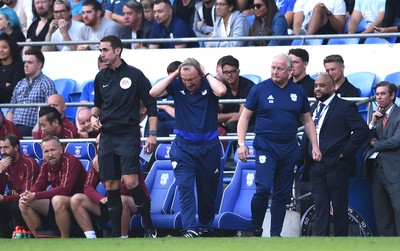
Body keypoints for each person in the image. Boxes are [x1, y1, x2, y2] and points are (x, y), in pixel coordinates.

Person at [236, 53, 322, 237]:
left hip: (289, 147)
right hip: (265, 146)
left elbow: (307, 121)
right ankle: (256, 228)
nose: (275, 71)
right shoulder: (259, 89)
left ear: (290, 71)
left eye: (280, 68)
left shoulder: (297, 91)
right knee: (264, 188)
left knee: (282, 194)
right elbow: (244, 117)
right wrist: (241, 143)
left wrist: (315, 145)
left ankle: (275, 234)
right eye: (273, 67)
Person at [150, 58, 227, 237]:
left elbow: (222, 91)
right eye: (185, 79)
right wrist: (176, 74)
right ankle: (190, 228)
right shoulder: (177, 85)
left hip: (208, 146)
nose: (188, 83)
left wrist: (206, 72)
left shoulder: (209, 85)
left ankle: (206, 226)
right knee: (185, 187)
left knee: (207, 190)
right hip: (183, 146)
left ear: (200, 75)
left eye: (191, 79)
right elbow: (153, 92)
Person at [90, 35, 157, 238]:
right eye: (100, 50)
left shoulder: (135, 75)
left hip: (128, 134)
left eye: (105, 50)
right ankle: (117, 236)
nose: (101, 54)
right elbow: (98, 104)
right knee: (110, 184)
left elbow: (152, 106)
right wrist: (93, 117)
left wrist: (152, 134)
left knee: (130, 181)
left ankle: (149, 227)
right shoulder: (100, 77)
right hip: (107, 135)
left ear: (117, 51)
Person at [301, 73, 369, 236]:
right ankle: (322, 244)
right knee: (320, 209)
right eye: (316, 85)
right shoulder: (312, 109)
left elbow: (362, 130)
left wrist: (344, 153)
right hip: (315, 166)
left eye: (322, 85)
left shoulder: (344, 106)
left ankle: (340, 244)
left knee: (339, 209)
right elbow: (307, 135)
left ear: (332, 87)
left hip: (337, 166)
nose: (317, 88)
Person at [71, 144, 148, 238]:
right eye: (98, 144)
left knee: (121, 200)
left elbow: (123, 189)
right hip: (111, 201)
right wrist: (100, 198)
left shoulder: (127, 159)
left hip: (135, 201)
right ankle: (91, 239)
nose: (100, 146)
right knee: (76, 199)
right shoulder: (98, 161)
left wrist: (101, 171)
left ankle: (123, 238)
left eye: (103, 142)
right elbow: (88, 187)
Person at [19, 135, 87, 238]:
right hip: (60, 202)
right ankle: (40, 238)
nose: (50, 154)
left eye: (53, 150)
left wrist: (35, 195)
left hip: (80, 202)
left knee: (57, 199)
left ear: (61, 149)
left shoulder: (70, 161)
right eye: (46, 151)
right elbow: (38, 185)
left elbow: (65, 189)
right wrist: (29, 194)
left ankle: (65, 239)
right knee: (23, 202)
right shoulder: (45, 165)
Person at [363, 81, 400, 236]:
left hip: (395, 171)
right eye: (377, 94)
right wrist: (372, 123)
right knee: (382, 215)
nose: (379, 97)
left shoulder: (398, 115)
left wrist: (376, 144)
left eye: (383, 93)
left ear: (392, 95)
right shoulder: (377, 116)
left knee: (398, 211)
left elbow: (397, 140)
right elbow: (365, 140)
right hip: (377, 171)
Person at [6, 49, 57, 137]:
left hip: (31, 127)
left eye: (30, 62)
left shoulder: (46, 83)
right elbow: (11, 108)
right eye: (25, 62)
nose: (25, 65)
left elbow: (50, 109)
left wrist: (39, 125)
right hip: (15, 126)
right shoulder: (20, 84)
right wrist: (8, 126)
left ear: (39, 65)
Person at [0, 133, 40, 238]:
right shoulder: (3, 165)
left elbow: (26, 195)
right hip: (13, 199)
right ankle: (4, 237)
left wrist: (4, 198)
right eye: (0, 148)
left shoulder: (28, 163)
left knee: (15, 205)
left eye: (6, 148)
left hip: (31, 201)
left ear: (16, 147)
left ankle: (21, 235)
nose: (2, 152)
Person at [217, 55, 255, 133]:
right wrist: (234, 114)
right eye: (226, 72)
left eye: (232, 71)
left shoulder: (248, 86)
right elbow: (215, 116)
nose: (229, 75)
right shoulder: (223, 88)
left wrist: (226, 122)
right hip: (233, 124)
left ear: (238, 72)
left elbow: (242, 115)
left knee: (231, 125)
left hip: (251, 123)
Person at [0, 33, 25, 104]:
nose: (1, 50)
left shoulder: (20, 66)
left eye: (4, 47)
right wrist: (4, 85)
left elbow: (15, 88)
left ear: (11, 49)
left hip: (11, 102)